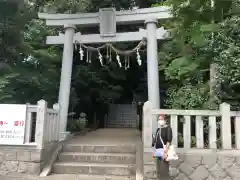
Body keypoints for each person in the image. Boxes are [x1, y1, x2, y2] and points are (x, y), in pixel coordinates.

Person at [152, 114, 172, 179]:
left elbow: (168, 141)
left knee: (164, 169)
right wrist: (154, 151)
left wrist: (165, 152)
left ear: (165, 120)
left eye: (161, 119)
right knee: (159, 169)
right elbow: (156, 141)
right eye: (159, 119)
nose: (160, 121)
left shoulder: (168, 129)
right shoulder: (158, 129)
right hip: (158, 151)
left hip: (164, 151)